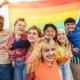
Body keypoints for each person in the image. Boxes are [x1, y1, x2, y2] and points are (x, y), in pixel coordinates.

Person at [0, 15, 13, 80]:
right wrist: (2, 4)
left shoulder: (8, 32)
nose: (0, 25)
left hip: (6, 63)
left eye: (1, 23)